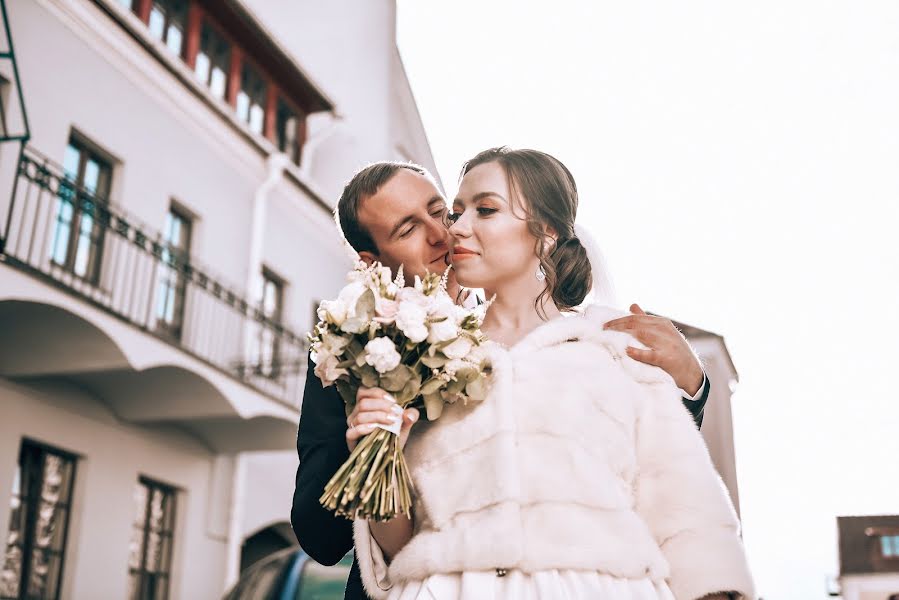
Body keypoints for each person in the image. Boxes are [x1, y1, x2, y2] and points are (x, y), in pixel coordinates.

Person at [291, 161, 713, 600]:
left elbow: (637, 466)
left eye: (441, 212)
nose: (442, 234)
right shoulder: (348, 353)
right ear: (371, 259)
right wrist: (369, 440)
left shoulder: (546, 325)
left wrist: (690, 386)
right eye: (407, 229)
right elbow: (320, 540)